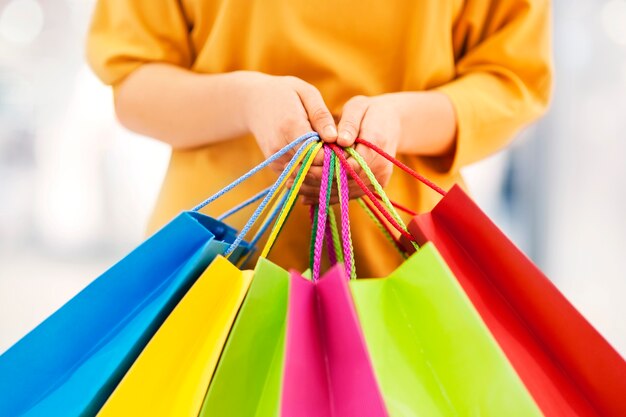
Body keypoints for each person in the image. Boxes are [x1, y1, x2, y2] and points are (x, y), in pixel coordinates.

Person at [86, 0, 552, 277]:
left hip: (403, 274)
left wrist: (400, 122)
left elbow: (511, 79)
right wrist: (247, 102)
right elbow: (134, 83)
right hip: (213, 276)